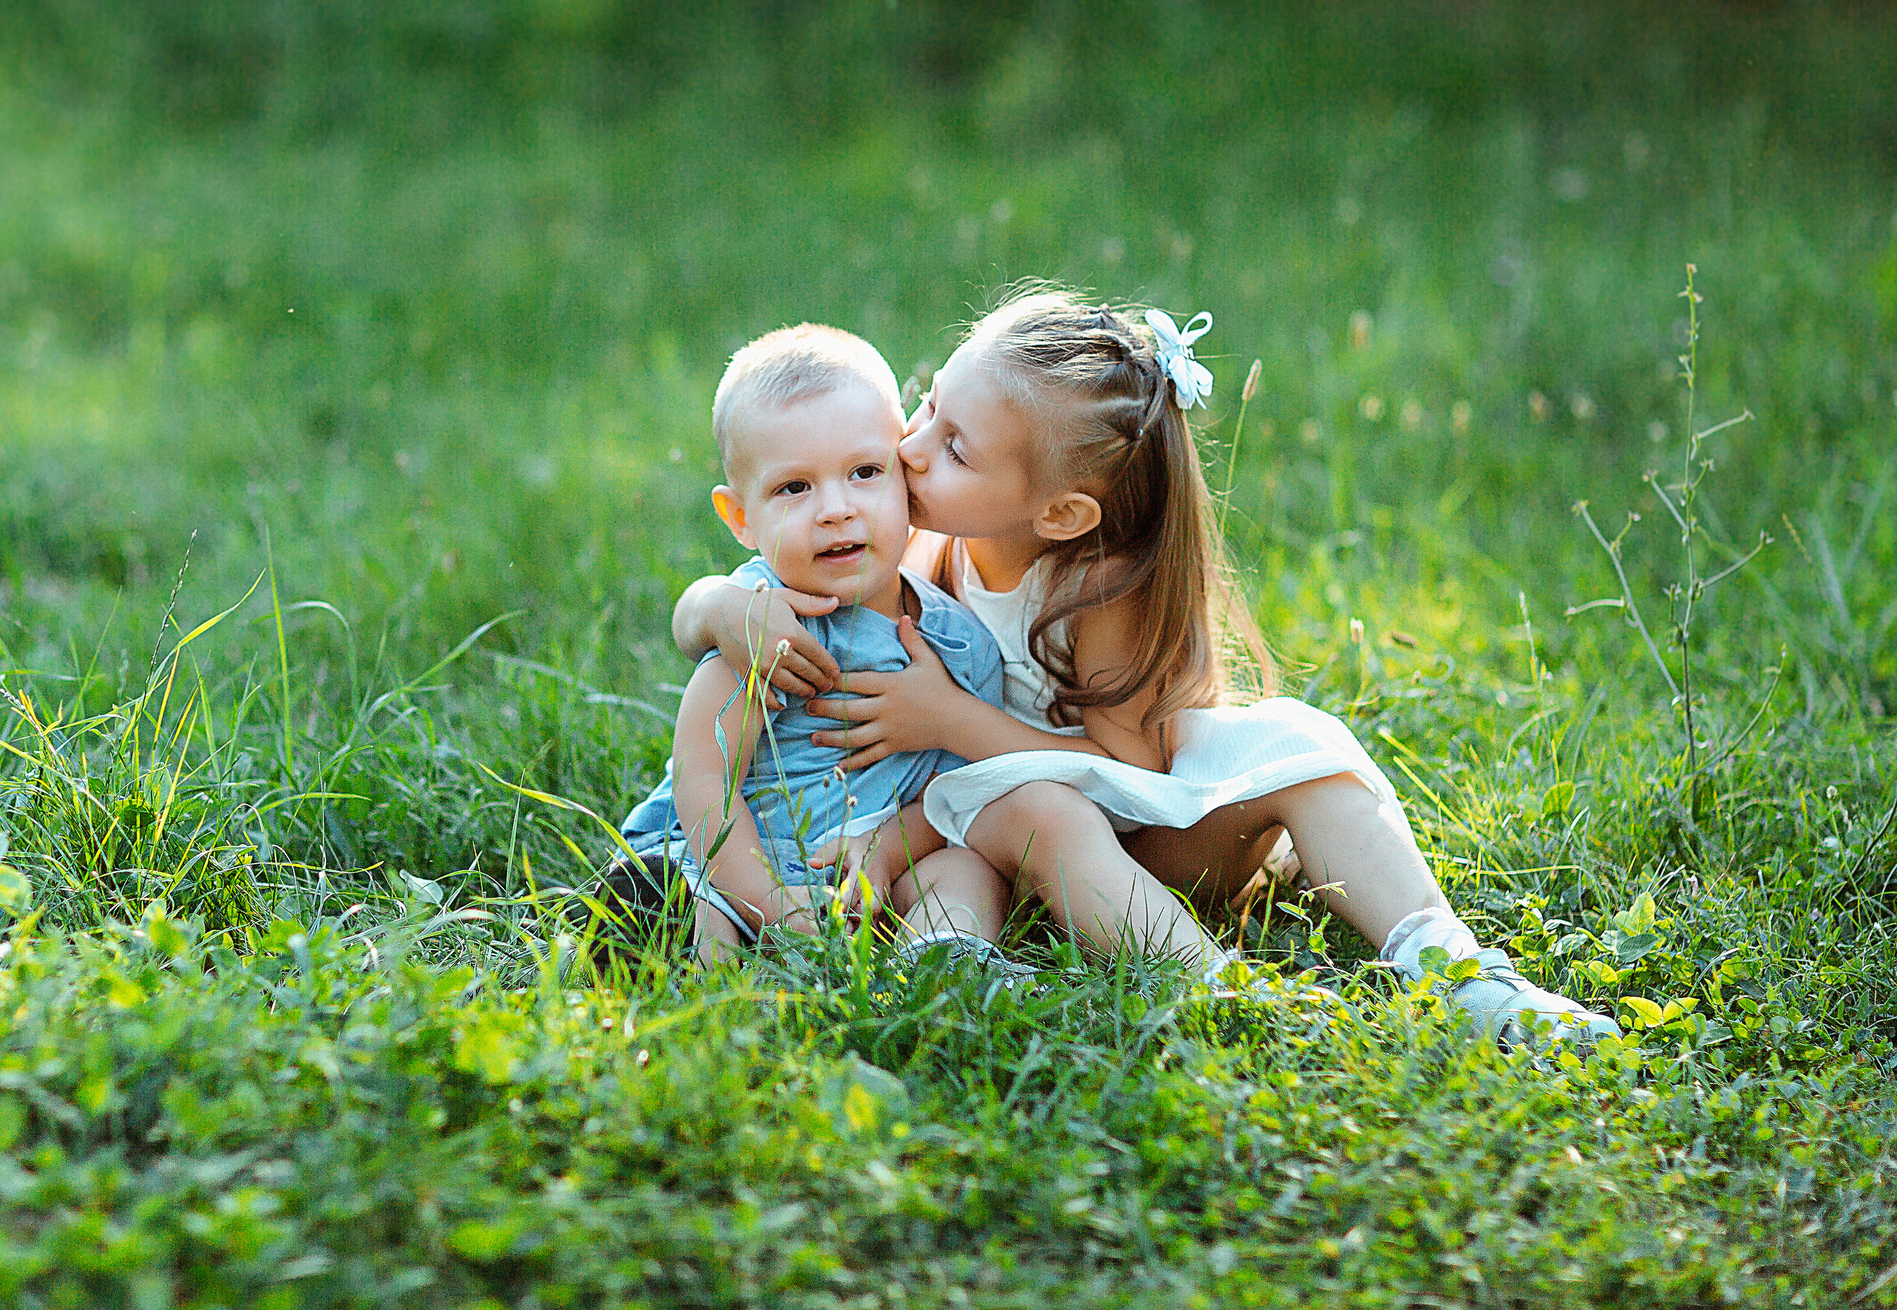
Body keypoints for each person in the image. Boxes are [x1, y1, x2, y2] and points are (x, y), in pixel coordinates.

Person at [673, 289, 1621, 1046]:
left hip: (1144, 827)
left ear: (1058, 514)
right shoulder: (918, 545)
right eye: (927, 405)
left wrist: (947, 719)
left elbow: (1132, 780)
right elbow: (721, 627)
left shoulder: (1095, 586)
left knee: (1317, 760)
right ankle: (1184, 976)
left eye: (952, 445)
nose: (908, 448)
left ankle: (1457, 969)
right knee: (1023, 810)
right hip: (1008, 836)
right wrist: (718, 604)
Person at [608, 324, 1016, 962]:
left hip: (872, 875)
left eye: (863, 472)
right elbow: (703, 776)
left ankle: (948, 959)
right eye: (794, 488)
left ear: (905, 476)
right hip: (732, 863)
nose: (835, 508)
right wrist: (773, 906)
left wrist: (886, 851)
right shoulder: (763, 626)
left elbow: (957, 793)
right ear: (741, 517)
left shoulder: (958, 647)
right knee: (708, 920)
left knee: (966, 871)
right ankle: (676, 944)